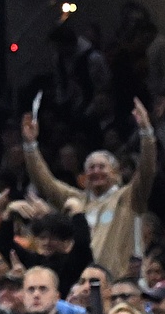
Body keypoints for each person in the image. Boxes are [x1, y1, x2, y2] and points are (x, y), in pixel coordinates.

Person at [20, 101, 155, 279]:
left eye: (102, 167)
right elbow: (45, 184)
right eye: (91, 168)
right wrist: (30, 145)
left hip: (121, 282)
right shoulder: (78, 201)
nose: (96, 171)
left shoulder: (129, 196)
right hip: (83, 284)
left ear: (116, 174)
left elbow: (147, 171)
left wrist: (146, 132)